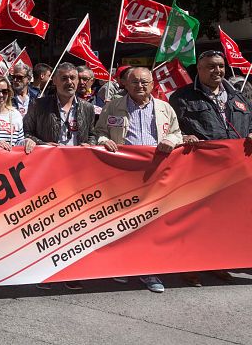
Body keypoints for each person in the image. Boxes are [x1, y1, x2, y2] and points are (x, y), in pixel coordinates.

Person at [95, 67, 183, 293]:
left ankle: (149, 269)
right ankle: (124, 264)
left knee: (151, 223)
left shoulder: (164, 107)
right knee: (125, 222)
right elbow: (99, 132)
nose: (140, 86)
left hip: (156, 173)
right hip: (124, 173)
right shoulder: (113, 106)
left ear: (153, 84)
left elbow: (177, 132)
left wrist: (172, 140)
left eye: (144, 82)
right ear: (126, 84)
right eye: (134, 82)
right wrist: (104, 140)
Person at [169, 50, 252, 287]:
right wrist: (183, 136)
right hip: (199, 169)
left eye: (220, 66)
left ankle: (217, 262)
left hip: (235, 170)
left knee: (224, 219)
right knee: (195, 219)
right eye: (211, 67)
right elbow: (172, 127)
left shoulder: (238, 94)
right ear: (199, 69)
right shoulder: (182, 96)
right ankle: (190, 266)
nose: (217, 71)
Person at [23, 62, 96, 291]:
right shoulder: (39, 104)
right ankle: (43, 271)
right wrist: (44, 145)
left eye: (73, 78)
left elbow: (93, 134)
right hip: (48, 172)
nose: (69, 82)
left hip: (76, 173)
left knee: (74, 223)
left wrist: (90, 144)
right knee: (47, 222)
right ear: (54, 81)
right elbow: (27, 133)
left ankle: (70, 270)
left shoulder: (87, 107)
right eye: (64, 78)